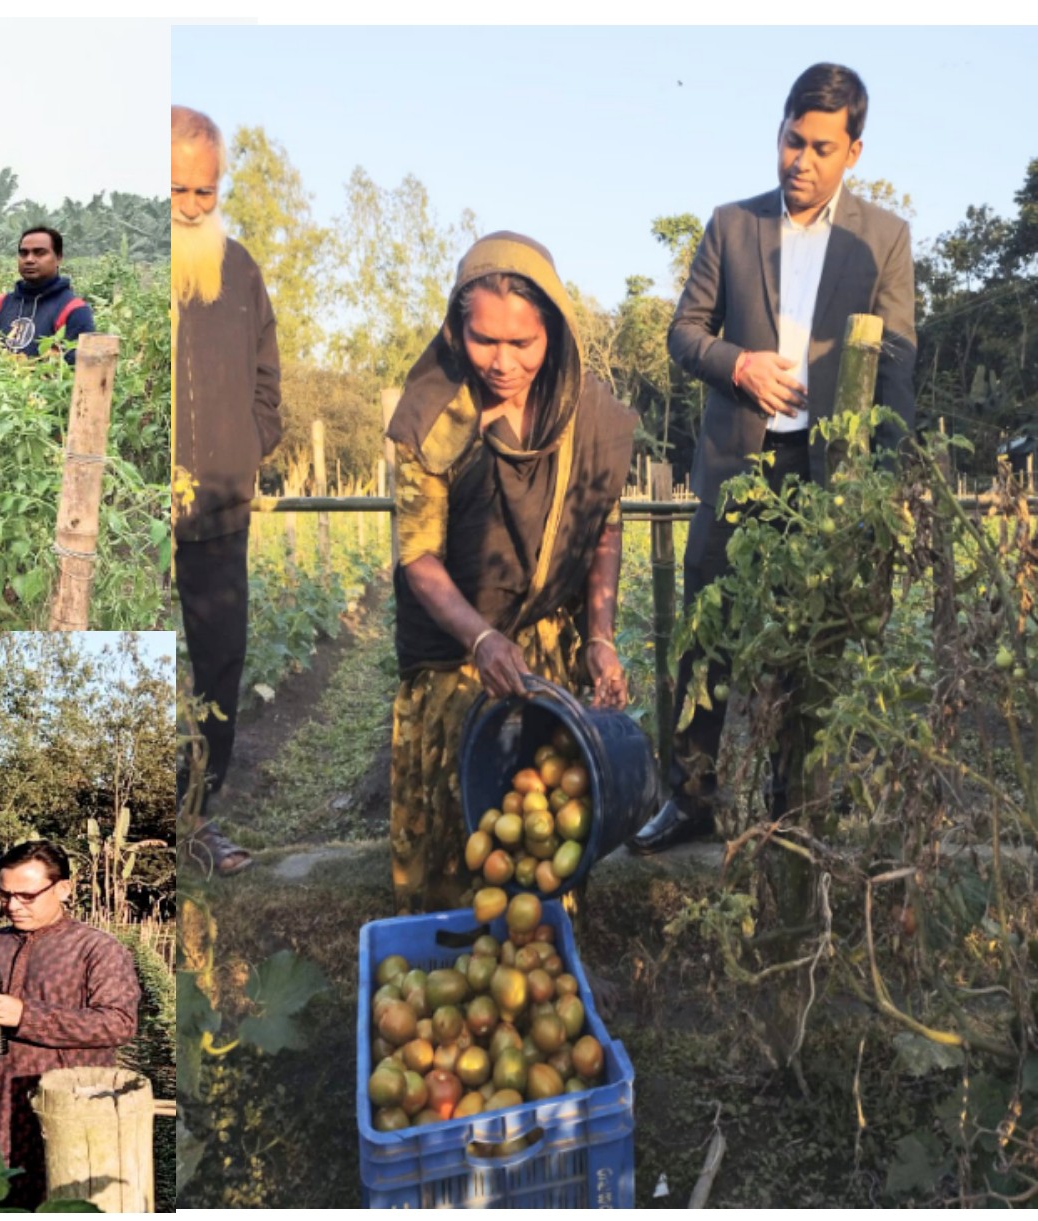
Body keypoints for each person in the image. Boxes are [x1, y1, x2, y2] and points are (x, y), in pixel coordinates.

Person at [632, 63, 917, 855]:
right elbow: (683, 333)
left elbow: (896, 370)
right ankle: (690, 798)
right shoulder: (731, 224)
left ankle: (793, 816)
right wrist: (739, 365)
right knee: (704, 634)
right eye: (792, 140)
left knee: (811, 644)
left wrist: (879, 487)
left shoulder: (881, 240)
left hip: (825, 476)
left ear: (852, 152)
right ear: (780, 130)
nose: (800, 160)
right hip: (736, 464)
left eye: (821, 147)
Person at [385, 232, 636, 914]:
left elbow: (602, 523)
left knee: (544, 818)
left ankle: (543, 953)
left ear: (552, 332)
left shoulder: (591, 416)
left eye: (521, 343)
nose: (501, 362)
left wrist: (600, 635)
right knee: (458, 829)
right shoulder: (429, 417)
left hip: (542, 653)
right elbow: (418, 556)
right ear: (455, 325)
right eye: (482, 339)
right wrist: (480, 640)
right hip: (457, 654)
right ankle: (447, 952)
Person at [171, 104, 281, 876]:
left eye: (204, 192)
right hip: (136, 521)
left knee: (218, 663)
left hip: (218, 511)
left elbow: (268, 381)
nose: (189, 206)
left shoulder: (238, 268)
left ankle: (197, 816)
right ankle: (146, 828)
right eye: (174, 189)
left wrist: (247, 448)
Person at [0, 841, 140, 1209]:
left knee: (51, 1197)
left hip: (62, 1107)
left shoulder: (97, 949)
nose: (13, 905)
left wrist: (25, 1016)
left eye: (27, 896)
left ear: (62, 888)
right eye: (5, 895)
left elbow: (119, 1023)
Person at [0, 226, 95, 365]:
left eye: (39, 253)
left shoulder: (74, 310)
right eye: (24, 253)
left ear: (59, 258)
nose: (29, 259)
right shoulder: (1, 304)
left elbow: (78, 369)